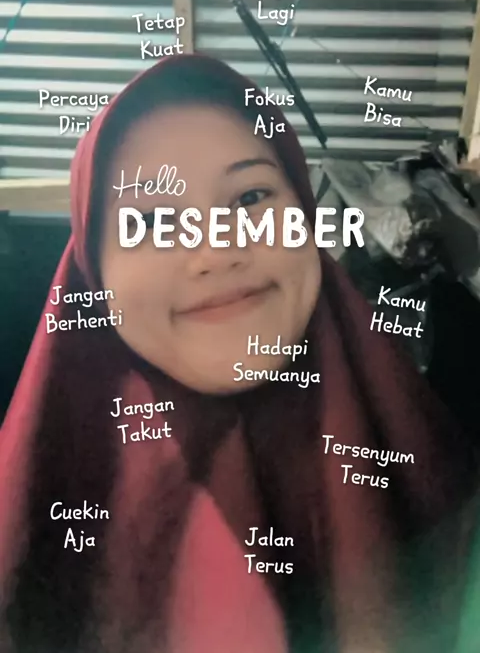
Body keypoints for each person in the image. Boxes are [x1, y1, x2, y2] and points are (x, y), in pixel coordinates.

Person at [0, 54, 476, 653]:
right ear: (95, 270)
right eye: (152, 222)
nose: (216, 251)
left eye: (251, 196)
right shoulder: (26, 519)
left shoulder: (434, 464)